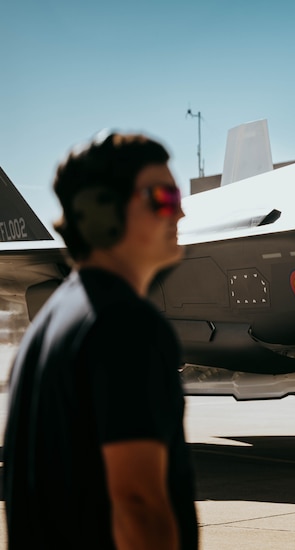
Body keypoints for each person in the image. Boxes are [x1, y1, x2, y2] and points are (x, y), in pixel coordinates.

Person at [3, 132, 198, 549]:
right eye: (162, 197)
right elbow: (138, 503)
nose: (179, 212)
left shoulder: (49, 326)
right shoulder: (125, 325)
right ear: (100, 212)